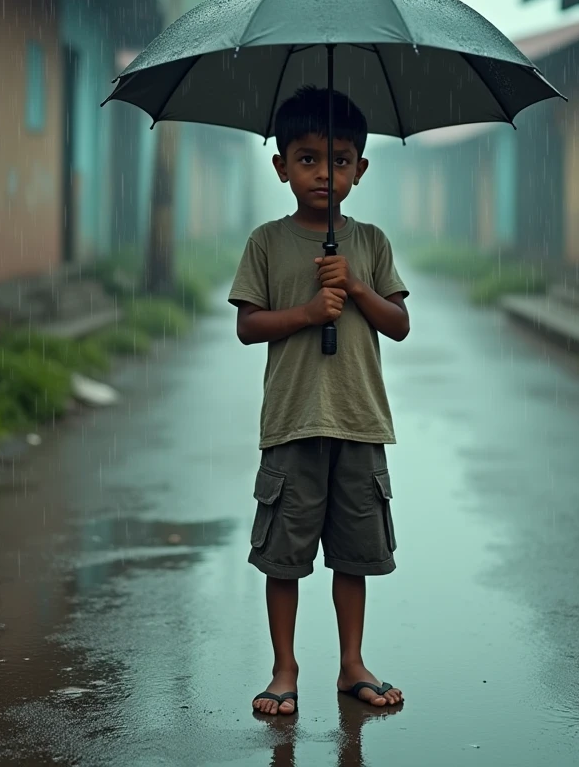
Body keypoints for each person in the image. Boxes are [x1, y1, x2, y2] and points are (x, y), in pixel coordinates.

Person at [228, 85, 410, 717]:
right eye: (307, 158)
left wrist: (355, 287)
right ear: (281, 166)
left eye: (339, 159)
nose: (324, 173)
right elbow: (249, 325)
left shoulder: (371, 242)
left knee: (353, 553)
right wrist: (307, 312)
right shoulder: (267, 243)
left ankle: (351, 662)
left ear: (360, 169)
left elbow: (398, 323)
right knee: (285, 553)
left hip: (359, 421)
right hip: (292, 421)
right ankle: (284, 667)